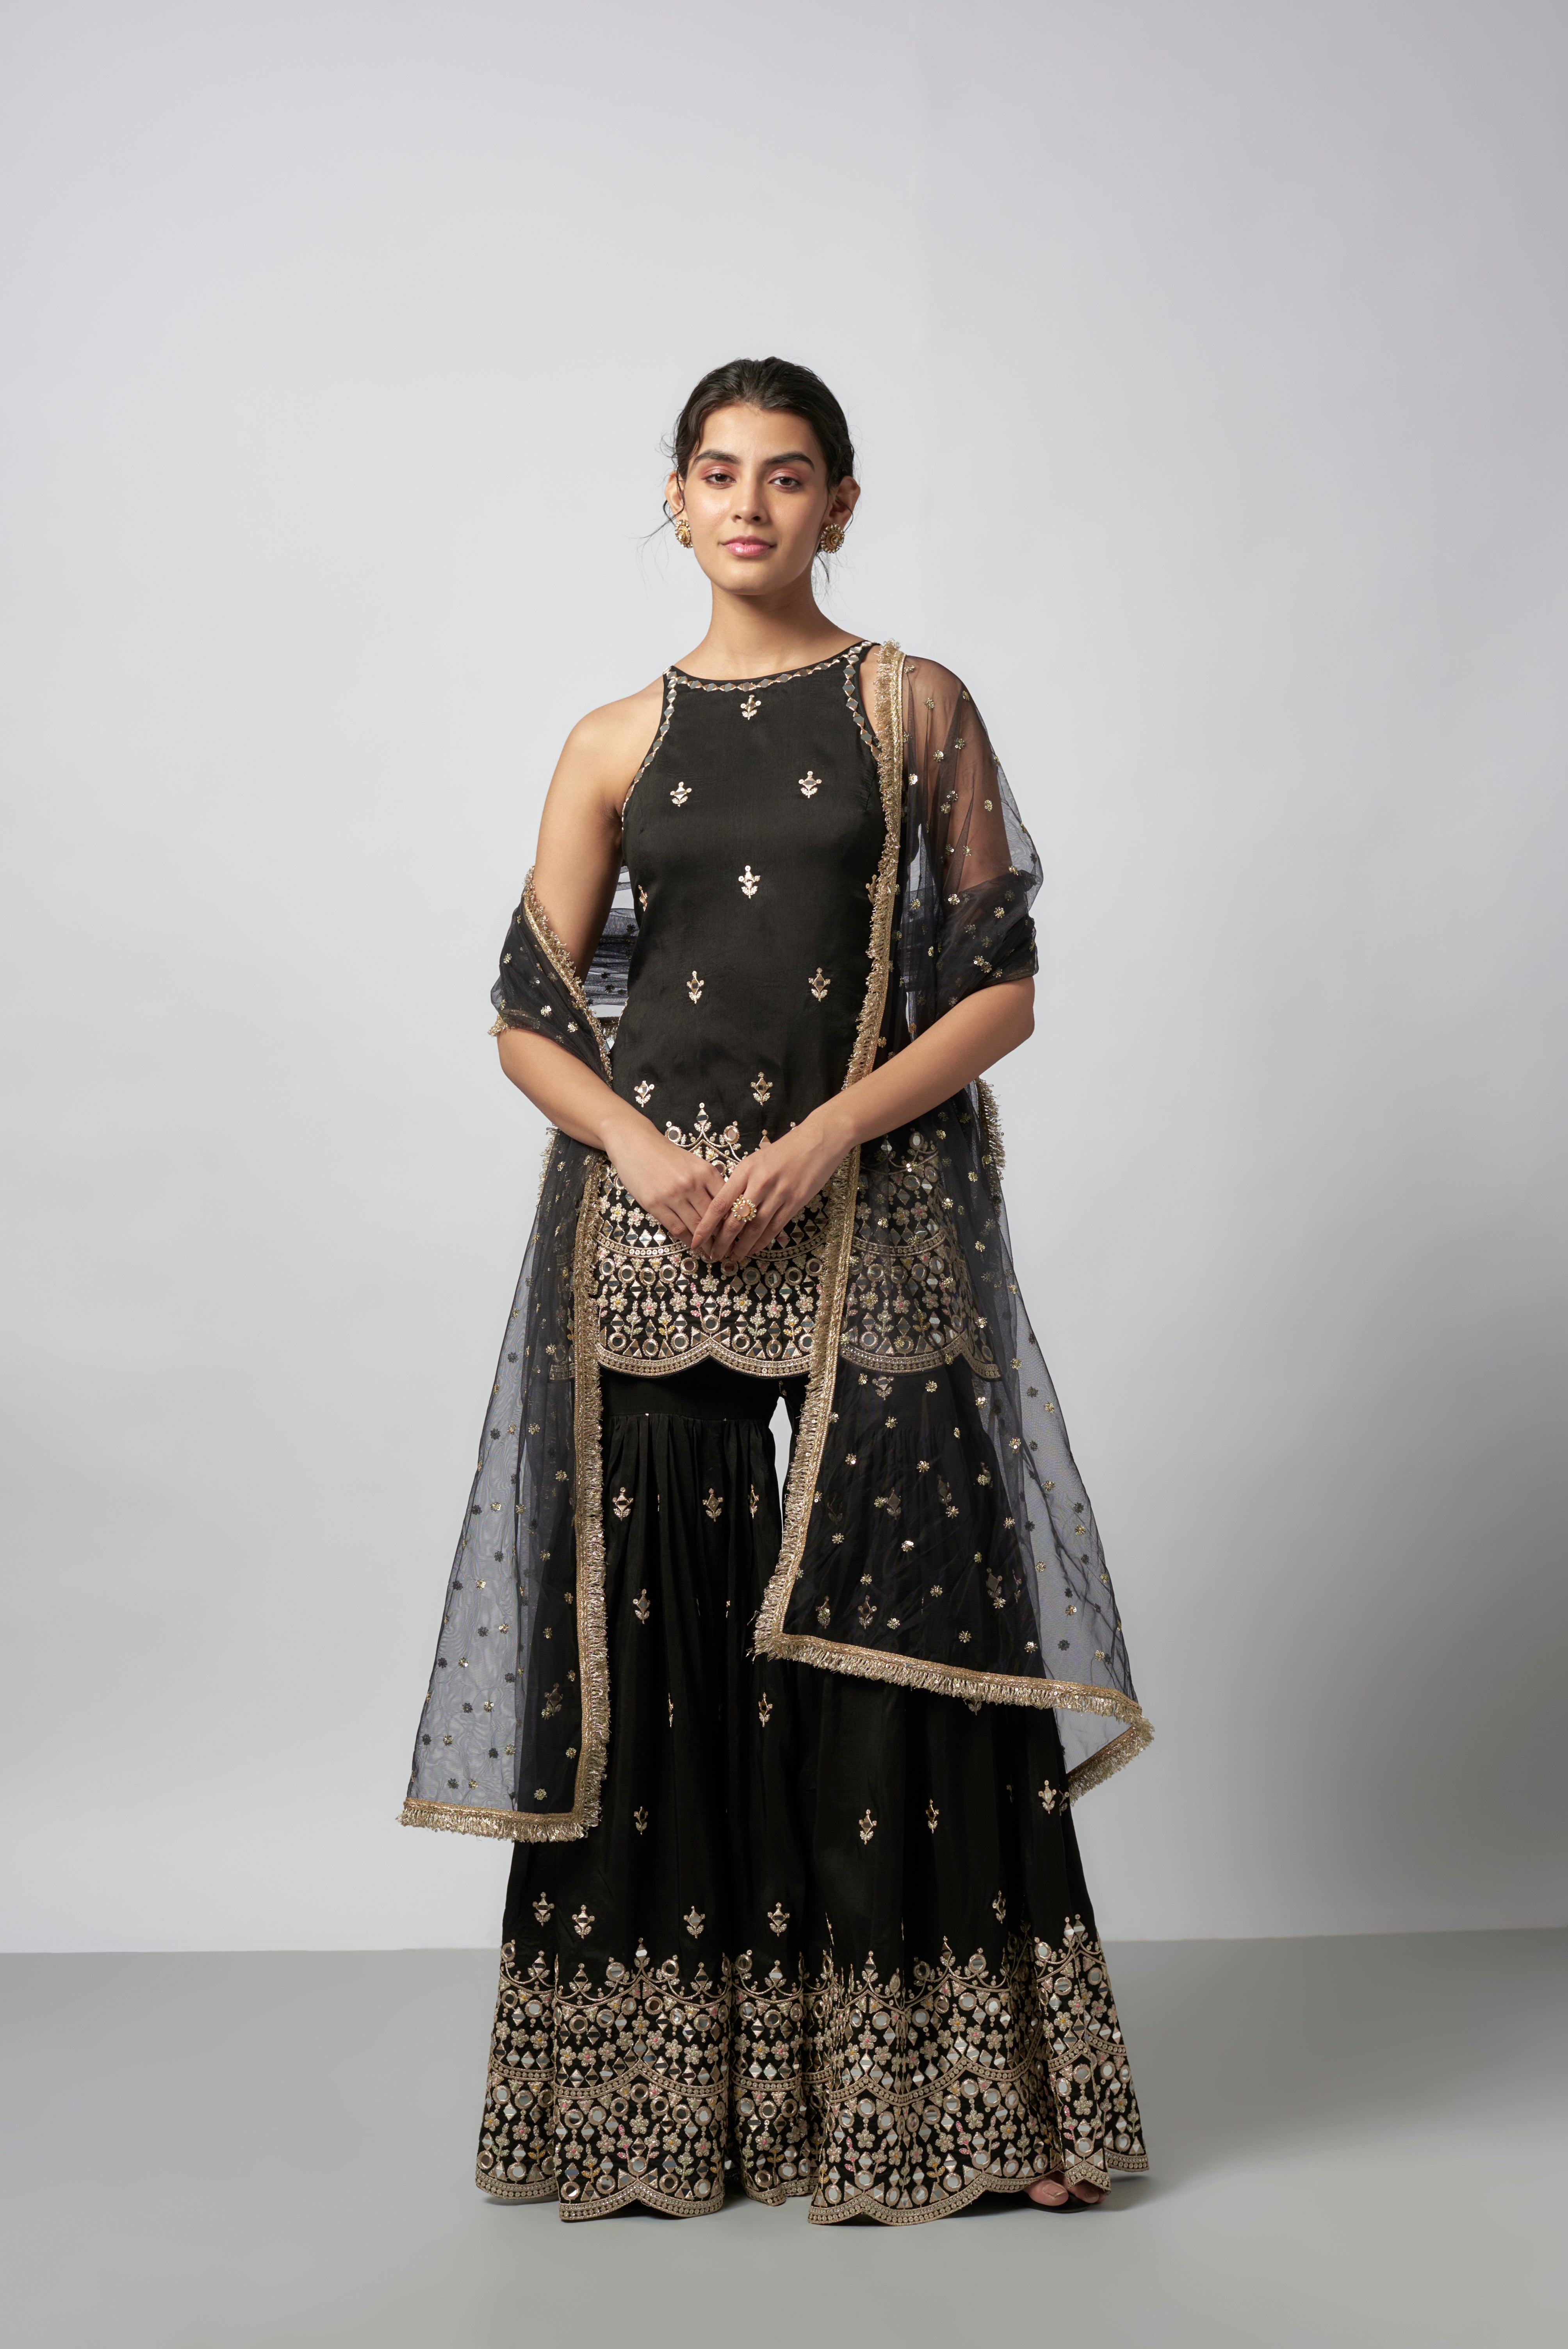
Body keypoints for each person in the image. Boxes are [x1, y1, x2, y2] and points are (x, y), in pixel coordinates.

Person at [401, 357, 1153, 2225]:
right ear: (673, 499)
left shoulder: (913, 705)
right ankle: (663, 2116)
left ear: (840, 502)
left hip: (869, 1206)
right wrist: (646, 1155)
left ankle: (956, 2106)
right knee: (653, 1648)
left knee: (902, 1631)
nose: (749, 504)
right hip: (651, 1229)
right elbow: (527, 1011)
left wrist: (823, 1139)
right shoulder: (608, 739)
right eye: (718, 473)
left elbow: (997, 987)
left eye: (788, 474)